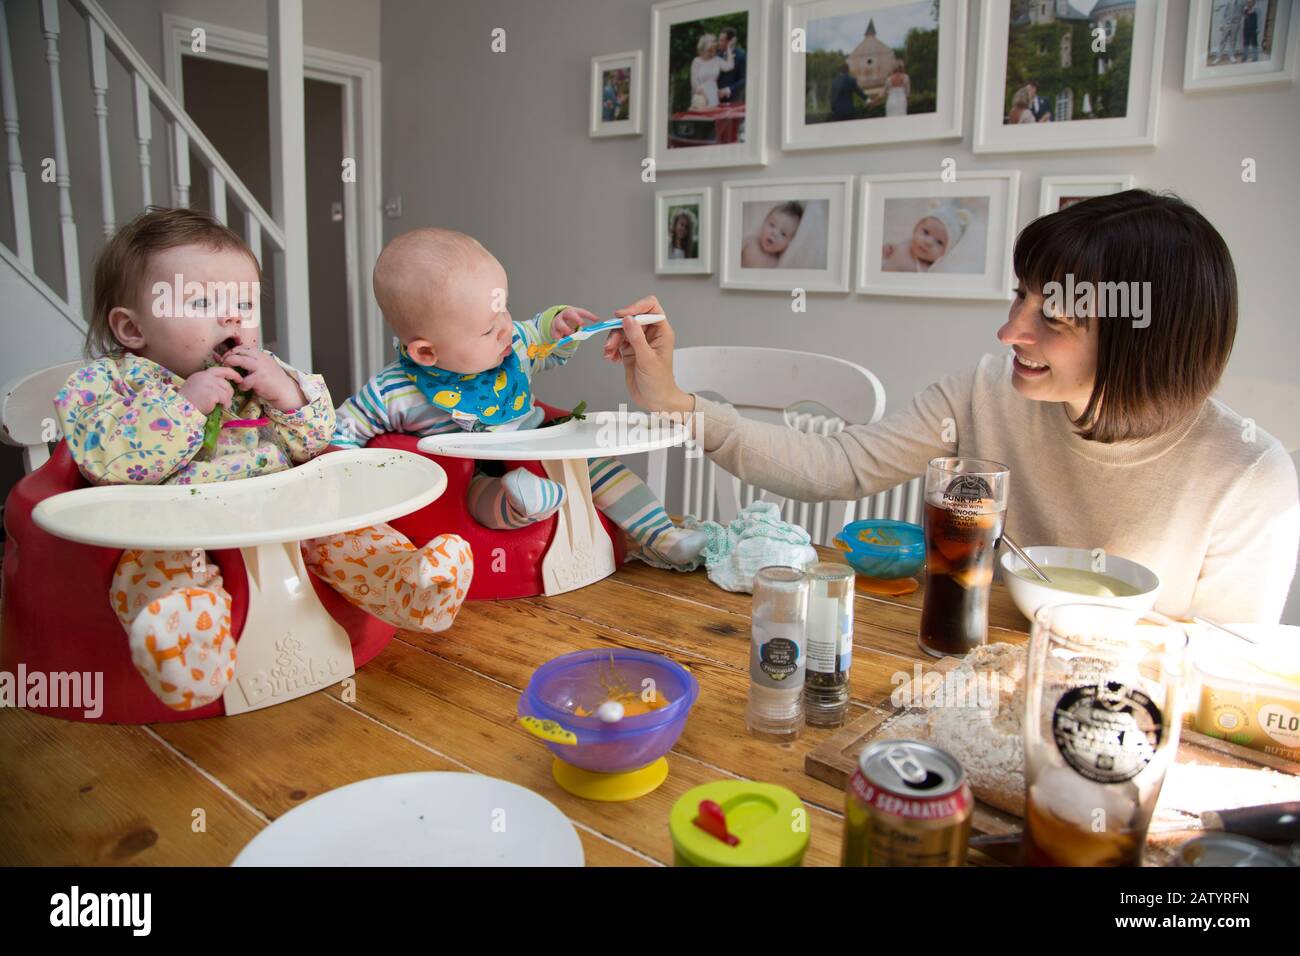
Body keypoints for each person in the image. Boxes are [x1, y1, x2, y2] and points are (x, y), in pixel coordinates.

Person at [601, 190, 1300, 624]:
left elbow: (1223, 671)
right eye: (1019, 295)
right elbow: (839, 467)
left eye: (1051, 317)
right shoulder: (986, 392)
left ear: (1144, 336)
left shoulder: (1250, 479)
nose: (1010, 332)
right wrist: (675, 403)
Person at [56, 209, 472, 711]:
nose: (232, 318)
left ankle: (412, 584)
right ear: (131, 327)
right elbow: (107, 464)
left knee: (349, 533)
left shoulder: (264, 378)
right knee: (151, 572)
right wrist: (182, 407)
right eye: (202, 301)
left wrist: (290, 396)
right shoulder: (110, 387)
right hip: (171, 526)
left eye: (243, 303)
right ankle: (186, 645)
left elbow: (318, 441)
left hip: (286, 512)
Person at [333, 228, 708, 570]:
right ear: (426, 353)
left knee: (602, 467)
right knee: (480, 501)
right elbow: (343, 431)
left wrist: (558, 326)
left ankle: (663, 536)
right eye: (488, 329)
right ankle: (523, 501)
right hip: (473, 475)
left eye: (505, 310)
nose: (507, 330)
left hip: (539, 443)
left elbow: (544, 342)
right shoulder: (394, 391)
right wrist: (353, 484)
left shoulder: (511, 342)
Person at [881, 201, 971, 273]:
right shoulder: (907, 243)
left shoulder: (927, 270)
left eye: (939, 242)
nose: (928, 242)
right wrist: (889, 249)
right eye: (926, 232)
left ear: (946, 252)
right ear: (916, 228)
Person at [741, 202, 802, 268]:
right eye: (772, 225)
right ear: (764, 222)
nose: (774, 233)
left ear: (790, 243)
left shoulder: (776, 263)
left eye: (783, 234)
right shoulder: (750, 242)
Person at [690, 34, 721, 109]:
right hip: (701, 96)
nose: (712, 52)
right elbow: (694, 81)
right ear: (703, 49)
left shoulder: (716, 60)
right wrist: (703, 95)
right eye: (709, 50)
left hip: (714, 95)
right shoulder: (696, 61)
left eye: (714, 49)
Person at [717, 26, 747, 103]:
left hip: (734, 101)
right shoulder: (717, 56)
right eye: (719, 40)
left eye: (721, 40)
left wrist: (729, 90)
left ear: (730, 41)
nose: (718, 43)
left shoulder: (741, 56)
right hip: (716, 100)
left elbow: (744, 79)